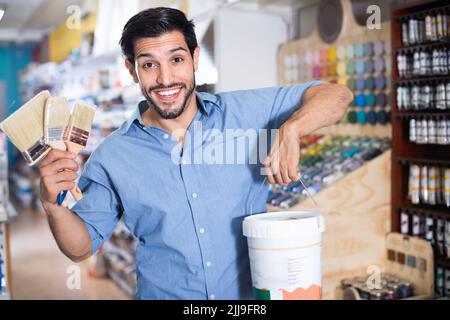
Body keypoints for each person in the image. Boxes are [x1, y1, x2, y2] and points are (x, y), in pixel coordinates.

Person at [39, 7, 352, 300]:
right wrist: (52, 205)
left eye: (176, 60)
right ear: (132, 71)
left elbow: (337, 95)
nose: (165, 79)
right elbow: (80, 248)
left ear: (194, 58)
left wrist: (291, 129)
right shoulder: (113, 155)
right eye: (149, 64)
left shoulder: (247, 114)